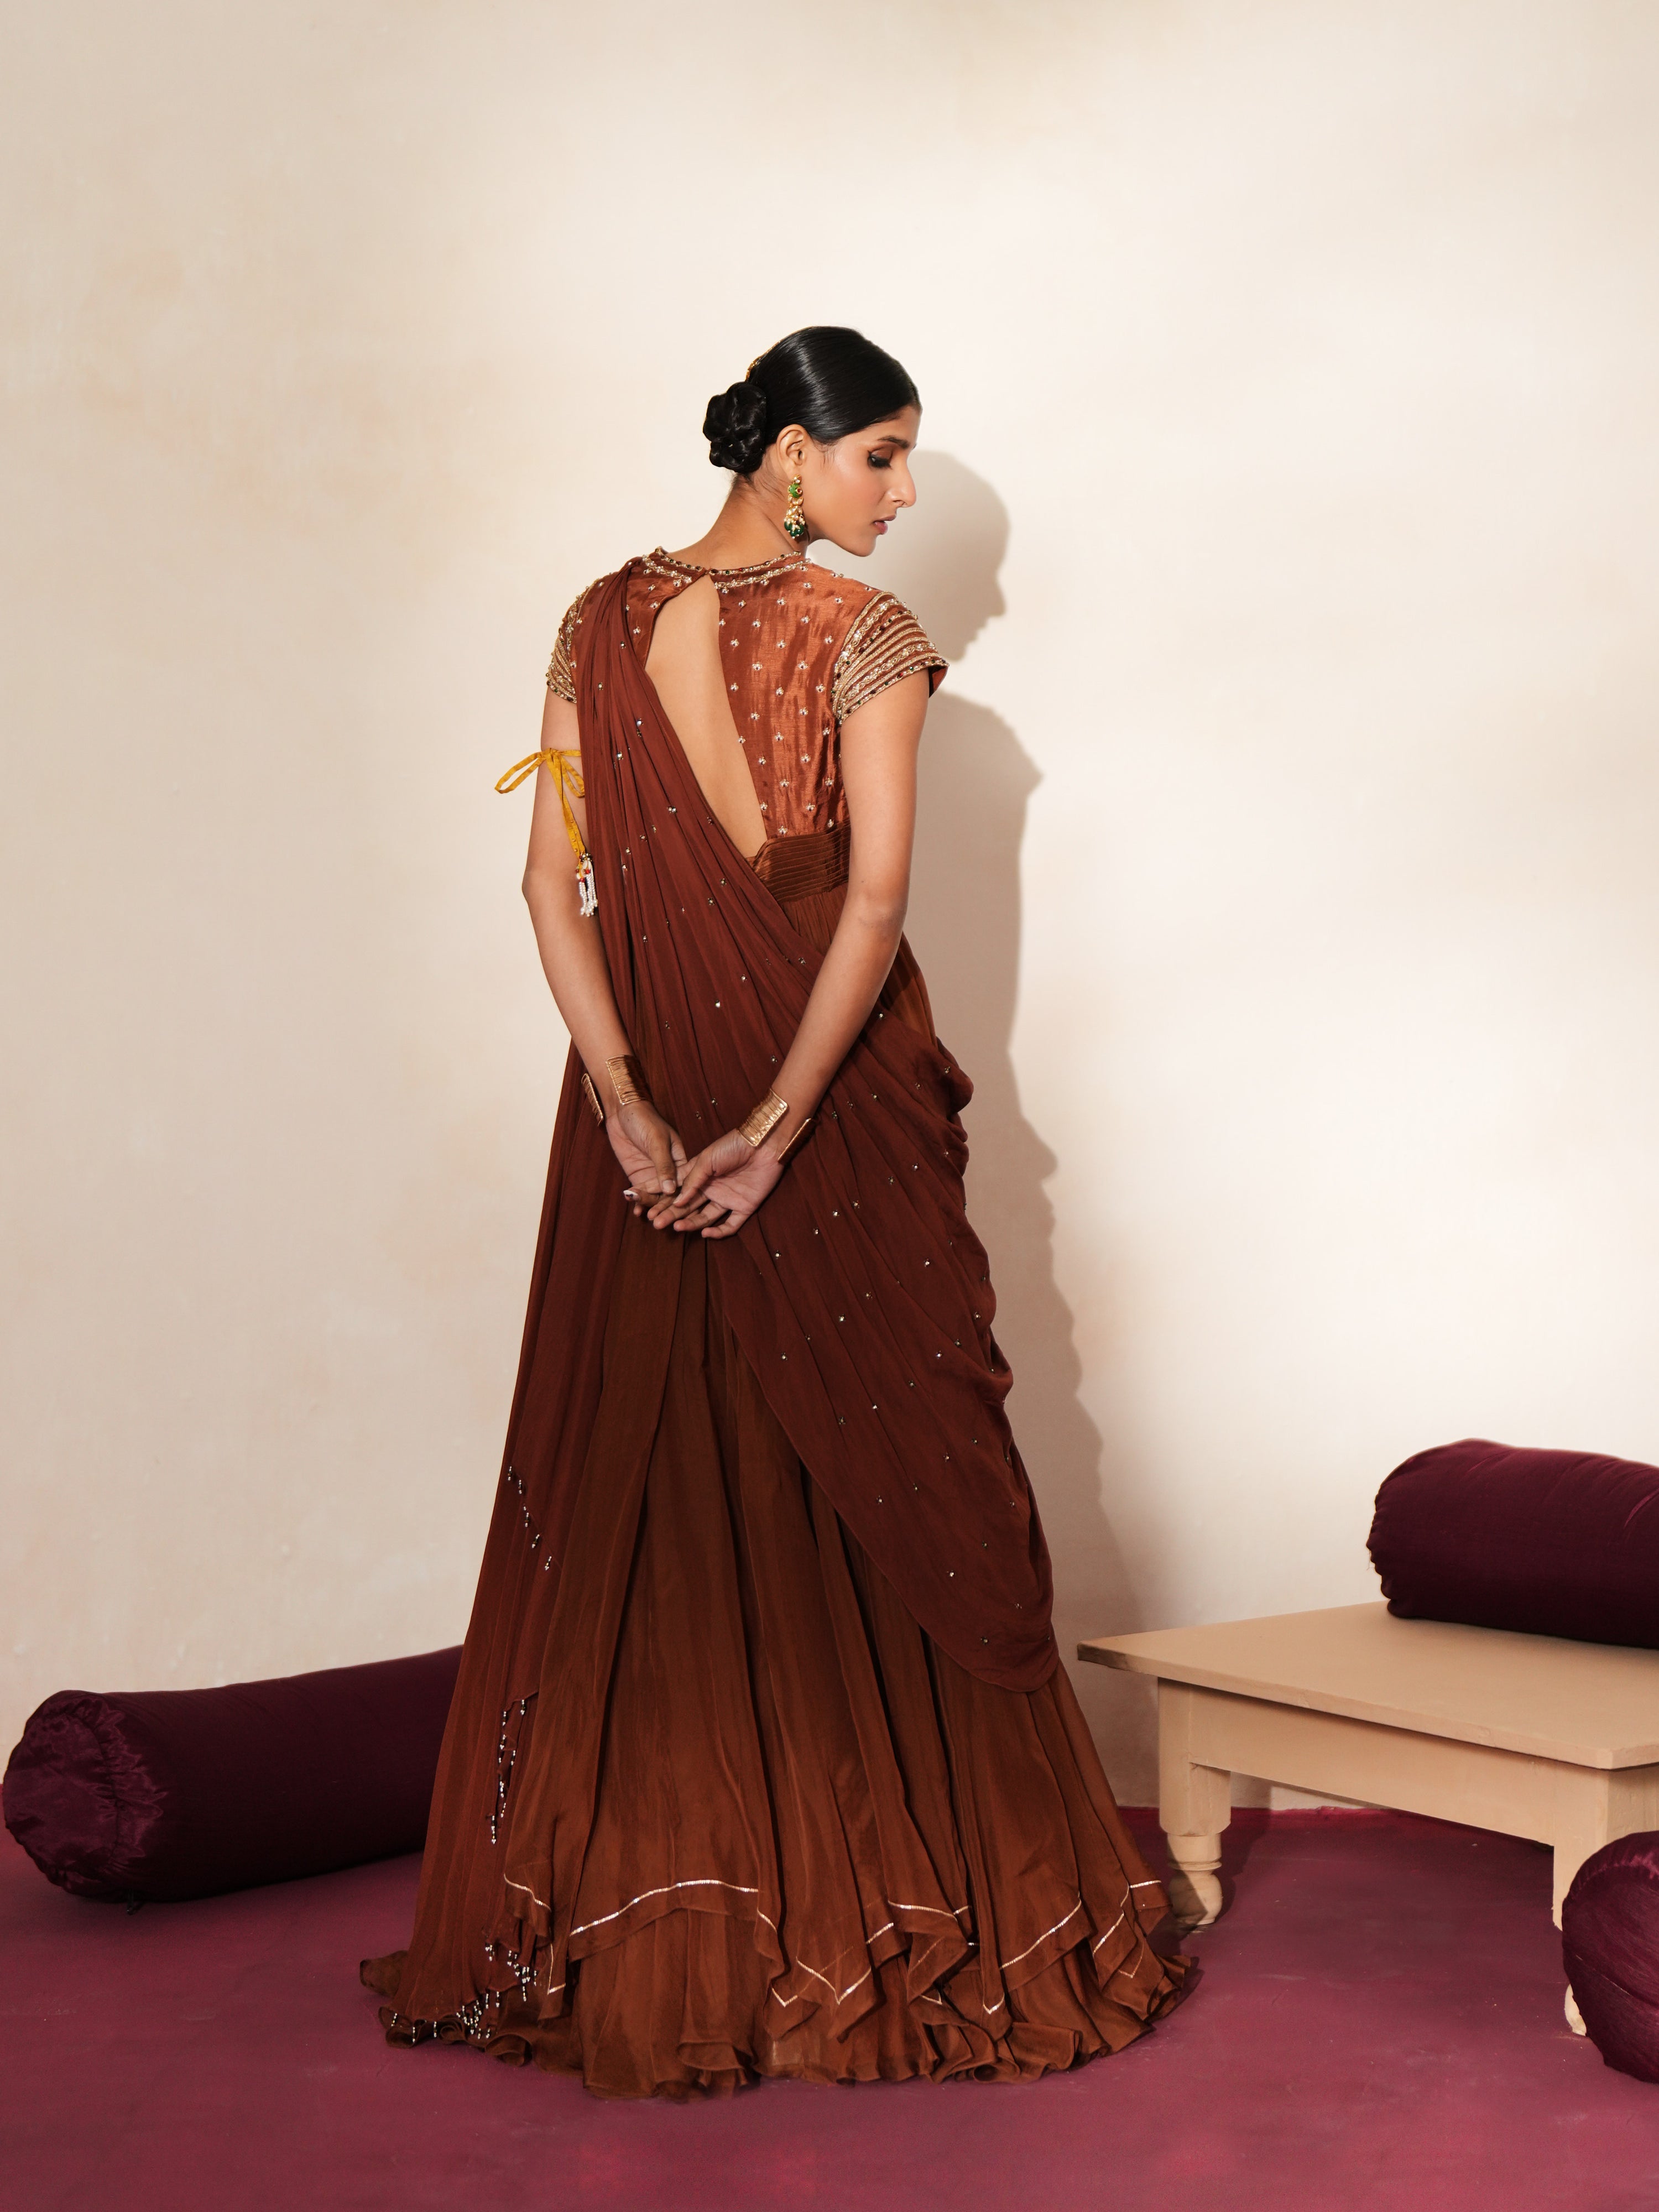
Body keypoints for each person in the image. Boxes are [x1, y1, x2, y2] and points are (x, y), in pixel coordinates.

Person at [363, 327, 1186, 2099]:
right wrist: (777, 1129)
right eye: (882, 455)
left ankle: (689, 1917)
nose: (899, 492)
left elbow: (546, 876)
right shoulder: (868, 640)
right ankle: (899, 1909)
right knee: (877, 1466)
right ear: (790, 456)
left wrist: (622, 1096)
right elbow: (873, 904)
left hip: (647, 1107)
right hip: (813, 1107)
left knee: (662, 1488)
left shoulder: (596, 617)